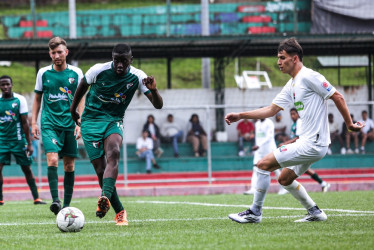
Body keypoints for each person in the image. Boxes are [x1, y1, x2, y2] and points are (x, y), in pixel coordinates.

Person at [225, 38, 363, 224]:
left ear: (295, 58)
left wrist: (349, 124)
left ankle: (254, 212)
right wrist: (241, 115)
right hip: (310, 143)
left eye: (282, 58)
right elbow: (271, 110)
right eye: (278, 58)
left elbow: (337, 96)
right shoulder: (292, 84)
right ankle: (314, 212)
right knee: (284, 179)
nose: (278, 62)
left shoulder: (309, 76)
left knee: (263, 164)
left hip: (313, 143)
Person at [70, 43, 163, 226]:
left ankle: (104, 197)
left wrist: (153, 89)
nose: (120, 65)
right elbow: (82, 86)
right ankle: (119, 211)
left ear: (131, 60)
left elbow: (158, 105)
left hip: (114, 120)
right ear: (112, 58)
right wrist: (73, 110)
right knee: (100, 170)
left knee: (114, 152)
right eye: (116, 60)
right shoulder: (98, 70)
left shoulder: (138, 76)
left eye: (124, 61)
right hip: (90, 121)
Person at [31, 37, 84, 215]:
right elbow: (37, 98)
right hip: (49, 124)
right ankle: (55, 201)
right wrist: (33, 122)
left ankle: (67, 205)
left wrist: (80, 122)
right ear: (50, 54)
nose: (57, 55)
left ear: (66, 52)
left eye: (60, 52)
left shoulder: (76, 73)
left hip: (70, 124)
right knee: (52, 159)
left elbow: (82, 98)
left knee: (69, 165)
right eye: (53, 53)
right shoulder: (43, 73)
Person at [0, 75, 46, 206]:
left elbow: (25, 123)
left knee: (26, 169)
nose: (5, 87)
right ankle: (0, 199)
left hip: (18, 141)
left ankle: (36, 198)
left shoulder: (20, 100)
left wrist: (29, 143)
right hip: (2, 141)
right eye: (2, 85)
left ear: (11, 85)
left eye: (7, 84)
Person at [286, 108, 331, 192]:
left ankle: (287, 186)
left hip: (301, 148)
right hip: (296, 148)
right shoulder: (294, 124)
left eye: (294, 114)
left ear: (298, 114)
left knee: (290, 166)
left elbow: (297, 137)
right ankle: (323, 183)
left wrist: (285, 143)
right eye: (291, 114)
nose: (292, 116)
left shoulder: (299, 122)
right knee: (303, 169)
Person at [243, 118, 288, 195]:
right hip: (259, 151)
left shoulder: (269, 123)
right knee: (255, 168)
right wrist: (257, 148)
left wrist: (258, 145)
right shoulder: (257, 123)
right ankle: (253, 188)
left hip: (269, 150)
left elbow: (269, 137)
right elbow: (258, 137)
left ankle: (283, 188)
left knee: (275, 169)